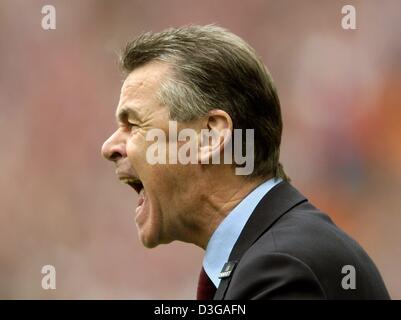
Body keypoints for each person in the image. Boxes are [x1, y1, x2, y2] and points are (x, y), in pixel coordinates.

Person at [101, 25, 390, 299]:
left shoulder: (281, 269)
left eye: (133, 124)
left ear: (210, 136)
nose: (109, 147)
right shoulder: (269, 253)